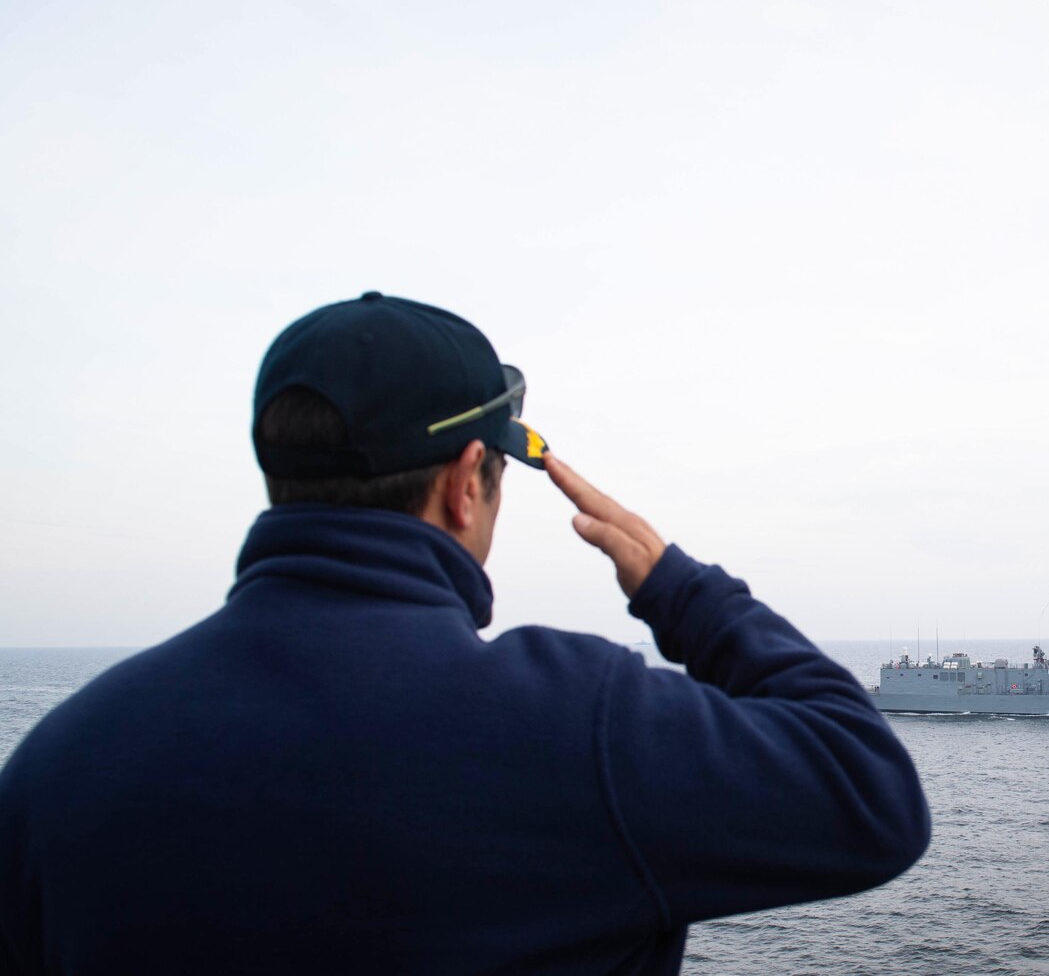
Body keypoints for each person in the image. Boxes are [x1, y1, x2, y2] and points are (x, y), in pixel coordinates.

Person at [0, 292, 930, 974]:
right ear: (466, 478)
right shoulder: (581, 726)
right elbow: (870, 791)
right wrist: (684, 592)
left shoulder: (59, 767)